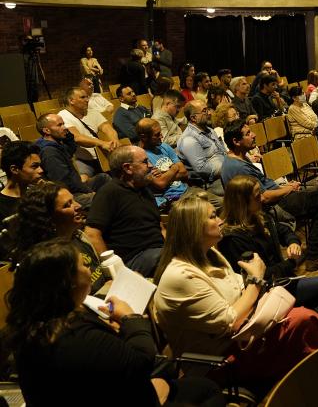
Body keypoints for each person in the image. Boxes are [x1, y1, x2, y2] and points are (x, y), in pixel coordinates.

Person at [4, 239, 225, 407]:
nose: (90, 270)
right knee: (208, 390)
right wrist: (131, 319)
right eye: (83, 265)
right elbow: (141, 361)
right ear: (68, 281)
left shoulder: (35, 324)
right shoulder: (75, 337)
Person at [152, 195, 318, 394]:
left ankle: (315, 380)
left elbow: (240, 289)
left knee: (308, 312)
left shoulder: (210, 254)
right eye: (213, 216)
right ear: (194, 228)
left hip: (245, 334)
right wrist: (256, 280)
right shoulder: (179, 276)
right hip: (219, 361)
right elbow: (230, 321)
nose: (221, 220)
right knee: (303, 319)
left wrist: (252, 286)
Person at [220, 122, 318, 271]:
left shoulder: (237, 158)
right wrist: (288, 189)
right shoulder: (238, 167)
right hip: (272, 206)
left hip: (276, 196)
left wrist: (285, 187)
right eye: (247, 134)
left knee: (317, 192)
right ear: (236, 141)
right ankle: (313, 256)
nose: (254, 135)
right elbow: (263, 197)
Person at [219, 175, 318, 309]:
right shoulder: (233, 239)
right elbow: (259, 275)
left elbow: (283, 230)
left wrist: (293, 242)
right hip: (269, 292)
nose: (262, 198)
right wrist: (291, 263)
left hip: (284, 280)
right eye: (257, 196)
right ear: (242, 202)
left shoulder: (258, 216)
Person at [1, 181, 105, 293]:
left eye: (73, 200)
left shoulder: (79, 236)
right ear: (50, 219)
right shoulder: (49, 259)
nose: (78, 206)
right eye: (67, 205)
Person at [84, 146, 165, 276]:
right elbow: (92, 233)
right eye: (145, 162)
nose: (150, 165)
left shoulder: (144, 190)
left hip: (158, 251)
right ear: (127, 168)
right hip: (134, 259)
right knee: (170, 258)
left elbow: (160, 227)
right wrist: (115, 272)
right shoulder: (109, 192)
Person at [34, 113, 110, 209]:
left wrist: (67, 134)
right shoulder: (50, 153)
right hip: (70, 195)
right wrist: (88, 191)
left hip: (76, 187)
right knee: (107, 197)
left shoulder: (56, 144)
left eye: (63, 123)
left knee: (103, 178)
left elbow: (70, 148)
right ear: (47, 130)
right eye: (59, 125)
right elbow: (64, 183)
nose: (65, 127)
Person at [58, 86, 119, 179]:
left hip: (101, 155)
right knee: (84, 181)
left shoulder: (92, 112)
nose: (87, 100)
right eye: (82, 97)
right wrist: (102, 143)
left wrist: (114, 140)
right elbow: (77, 137)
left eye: (87, 97)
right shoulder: (63, 116)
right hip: (81, 159)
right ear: (71, 101)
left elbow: (107, 128)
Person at [177, 99, 227, 195]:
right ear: (193, 118)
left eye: (207, 109)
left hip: (224, 173)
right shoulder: (188, 139)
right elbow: (202, 169)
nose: (209, 113)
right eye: (204, 111)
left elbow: (222, 151)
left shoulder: (209, 130)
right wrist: (228, 167)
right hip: (210, 184)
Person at [135, 118, 190, 208]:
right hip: (170, 198)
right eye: (157, 135)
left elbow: (184, 173)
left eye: (160, 133)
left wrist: (164, 174)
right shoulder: (140, 156)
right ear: (144, 137)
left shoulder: (164, 146)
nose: (161, 136)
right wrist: (174, 168)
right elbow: (161, 183)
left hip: (186, 190)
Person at [0, 141, 43, 221]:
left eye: (40, 166)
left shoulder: (37, 195)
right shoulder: (2, 206)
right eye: (34, 166)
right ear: (15, 169)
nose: (41, 170)